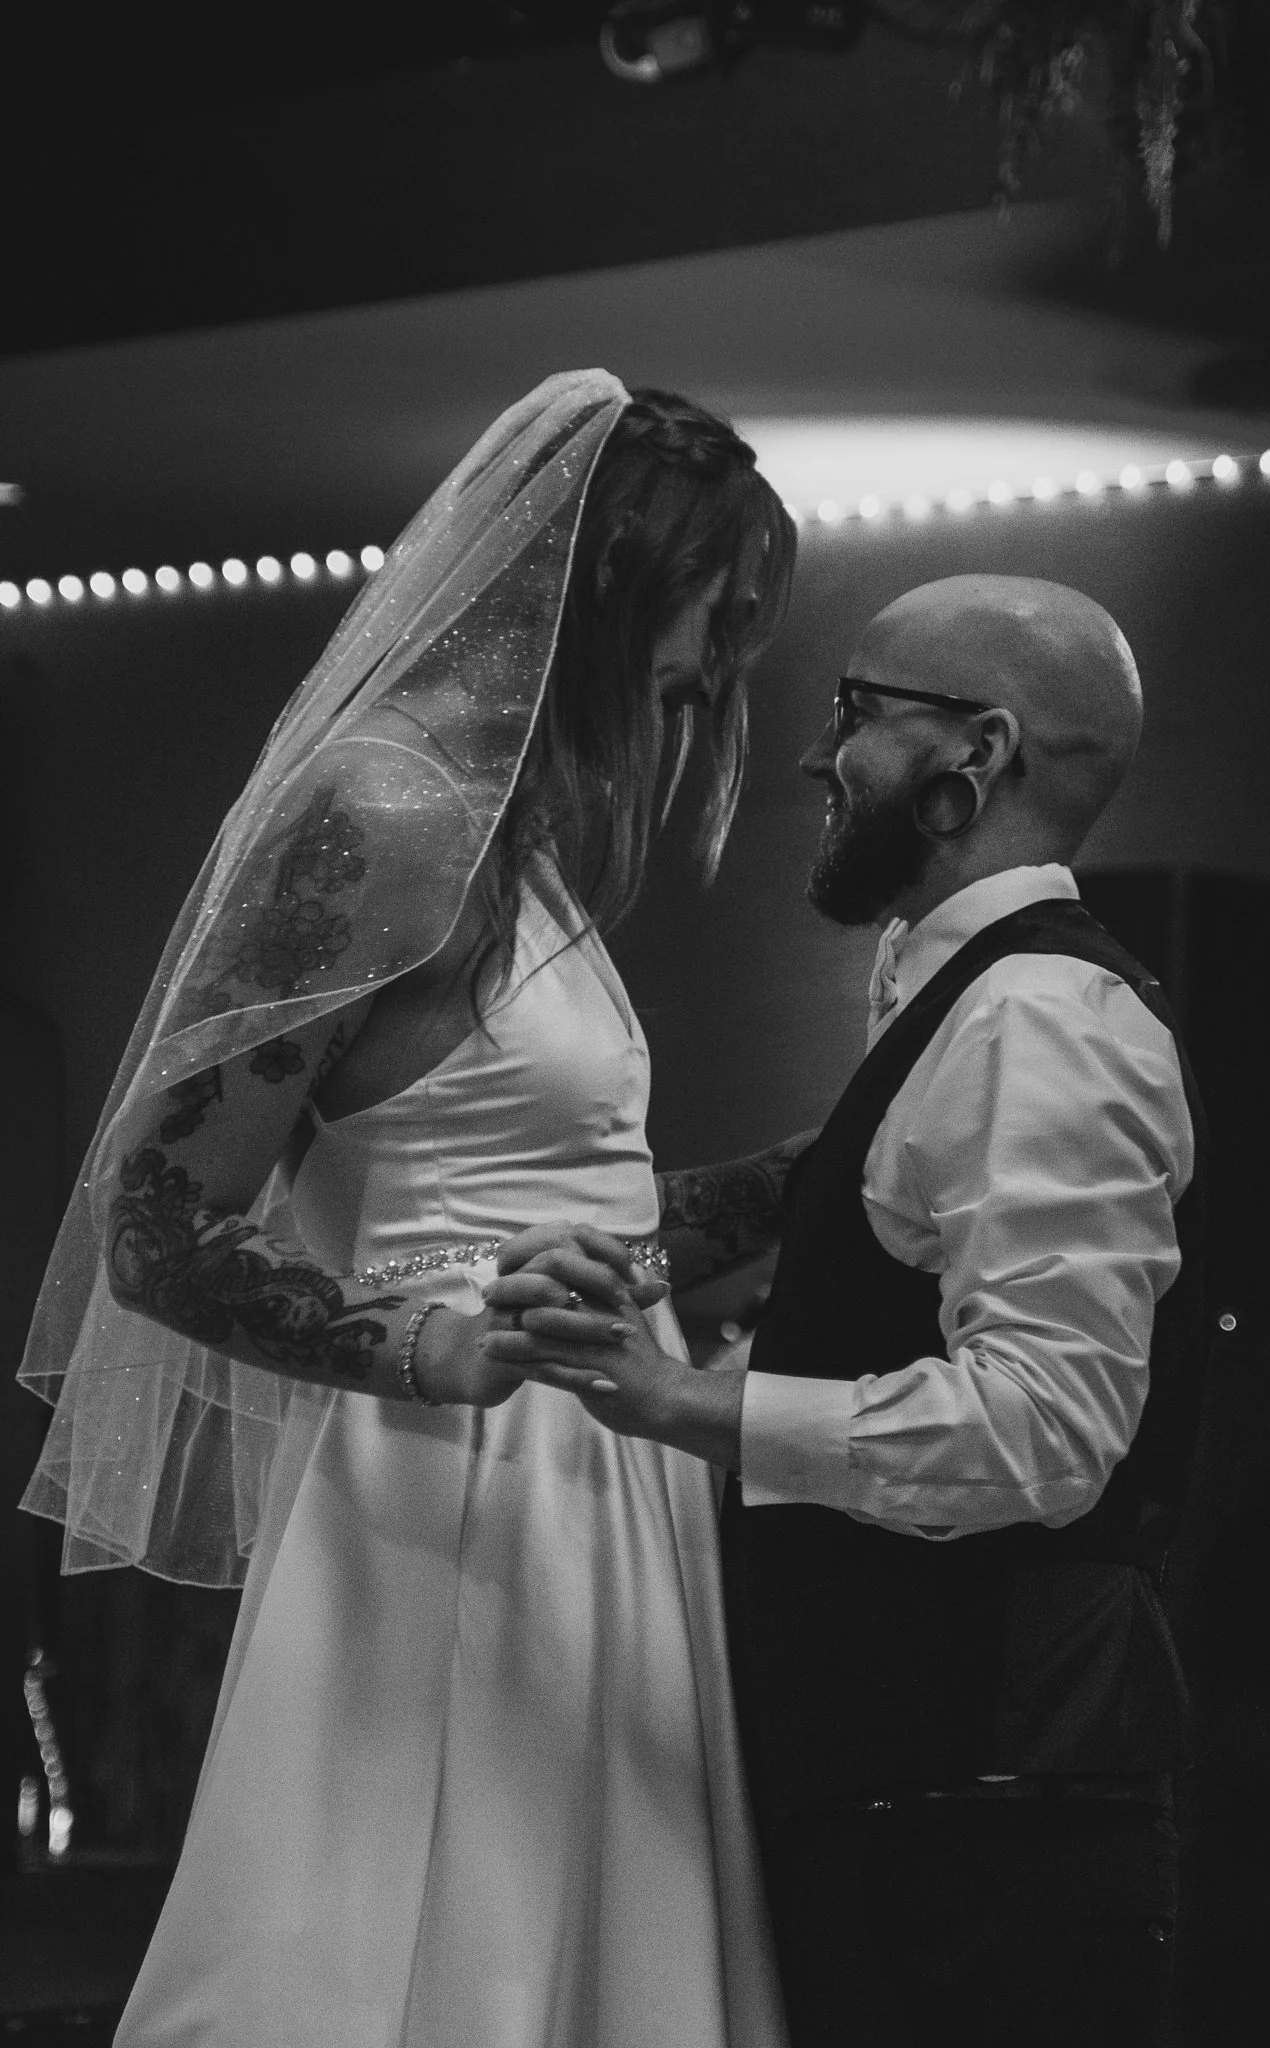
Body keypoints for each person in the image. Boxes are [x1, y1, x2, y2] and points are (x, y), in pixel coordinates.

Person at [18, 371, 800, 2048]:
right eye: (713, 612)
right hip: (449, 1476)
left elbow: (565, 1209)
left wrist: (823, 1168)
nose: (723, 668)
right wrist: (436, 1347)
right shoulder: (387, 816)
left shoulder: (522, 855)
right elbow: (157, 1223)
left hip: (592, 1463)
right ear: (606, 581)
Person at [493, 574, 1210, 2048]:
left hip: (994, 1808)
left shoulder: (1044, 1021)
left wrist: (683, 1400)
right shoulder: (955, 995)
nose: (823, 757)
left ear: (979, 756)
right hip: (920, 1798)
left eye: (861, 715)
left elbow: (1048, 1432)